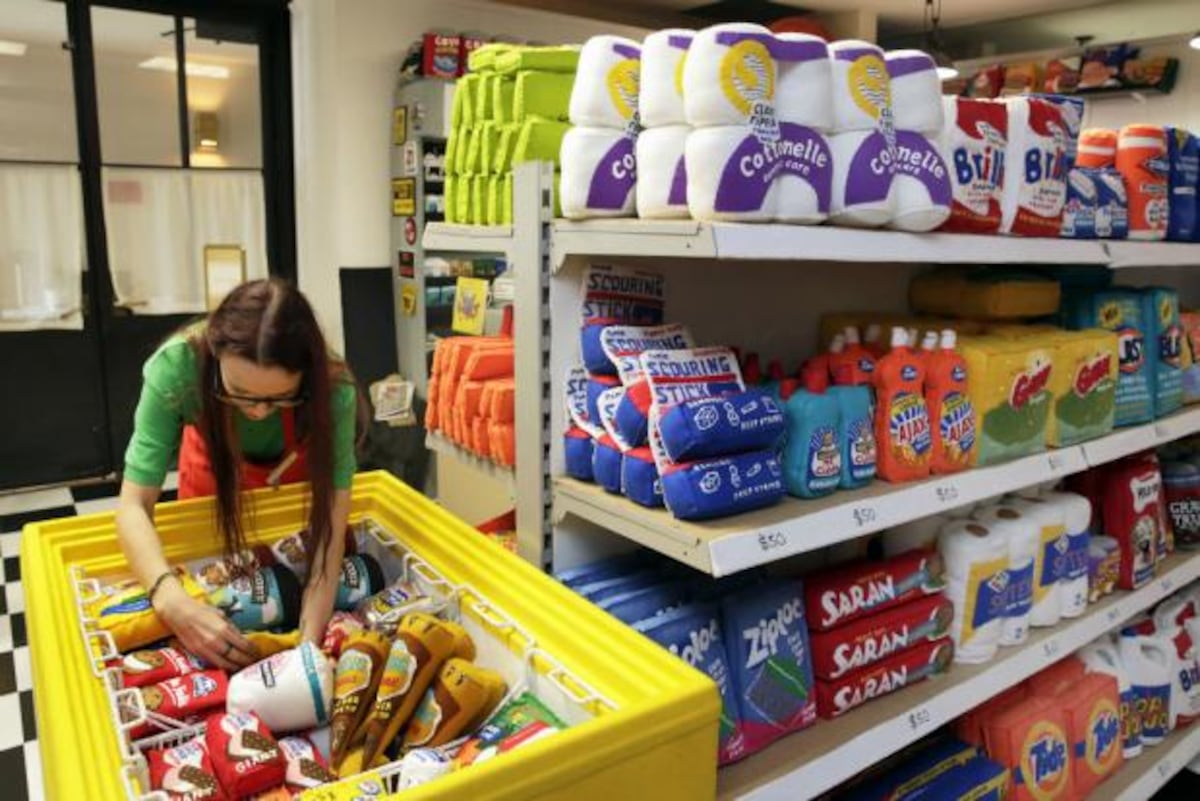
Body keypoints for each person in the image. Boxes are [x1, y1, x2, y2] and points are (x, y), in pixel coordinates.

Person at [116, 279, 364, 670]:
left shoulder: (333, 388)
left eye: (280, 398)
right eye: (240, 393)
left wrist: (307, 648)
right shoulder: (176, 368)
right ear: (215, 354)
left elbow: (329, 528)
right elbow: (133, 505)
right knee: (215, 581)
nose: (259, 411)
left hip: (289, 486)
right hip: (212, 473)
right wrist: (172, 600)